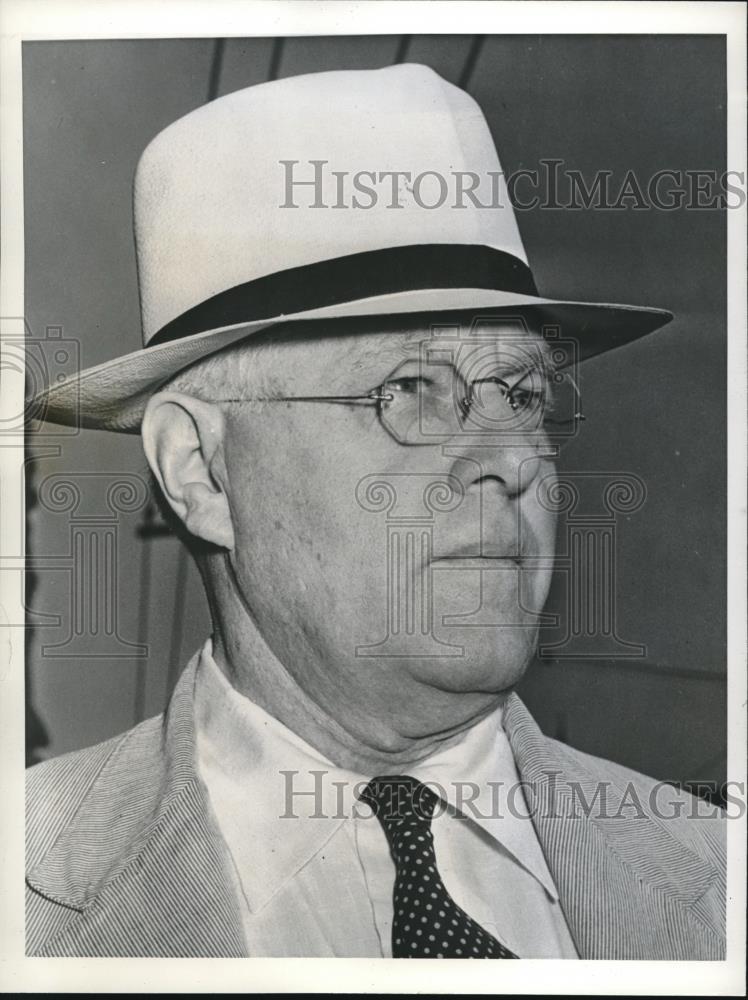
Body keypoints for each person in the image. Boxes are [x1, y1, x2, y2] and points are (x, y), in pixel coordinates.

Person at [25, 64, 724, 959]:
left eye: (519, 394)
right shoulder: (31, 891)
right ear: (199, 470)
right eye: (410, 390)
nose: (511, 459)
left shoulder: (715, 872)